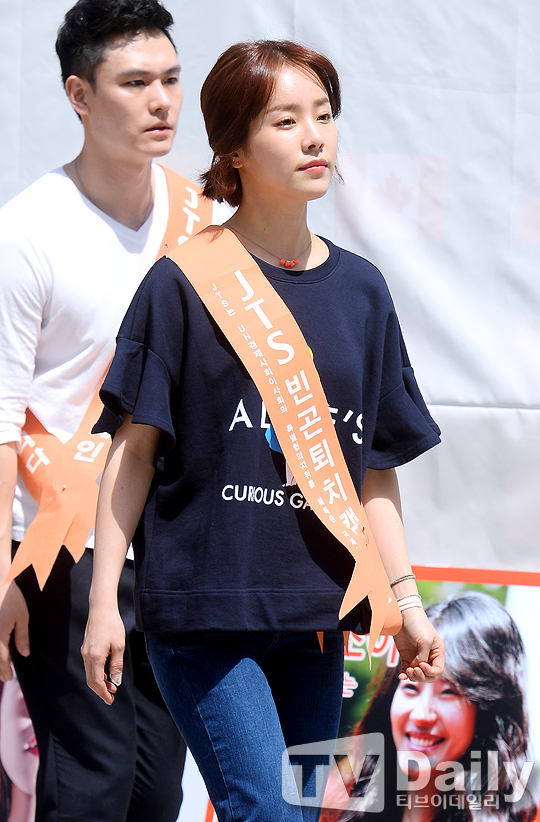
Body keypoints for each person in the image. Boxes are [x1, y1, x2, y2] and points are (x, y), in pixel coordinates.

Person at [82, 40, 445, 822]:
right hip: (204, 612)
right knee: (265, 811)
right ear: (235, 149)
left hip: (316, 617)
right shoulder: (183, 284)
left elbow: (372, 468)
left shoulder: (362, 292)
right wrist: (105, 600)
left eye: (323, 115)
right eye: (285, 121)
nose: (314, 137)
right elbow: (132, 452)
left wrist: (408, 602)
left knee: (297, 814)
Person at [0, 1, 217, 819]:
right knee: (92, 777)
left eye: (171, 79)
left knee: (156, 787)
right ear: (80, 96)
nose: (162, 101)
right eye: (134, 83)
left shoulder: (203, 220)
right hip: (58, 540)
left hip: (168, 539)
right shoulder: (26, 233)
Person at [324, 591, 537, 822]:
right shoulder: (339, 809)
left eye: (448, 692)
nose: (421, 714)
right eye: (411, 688)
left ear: (488, 710)